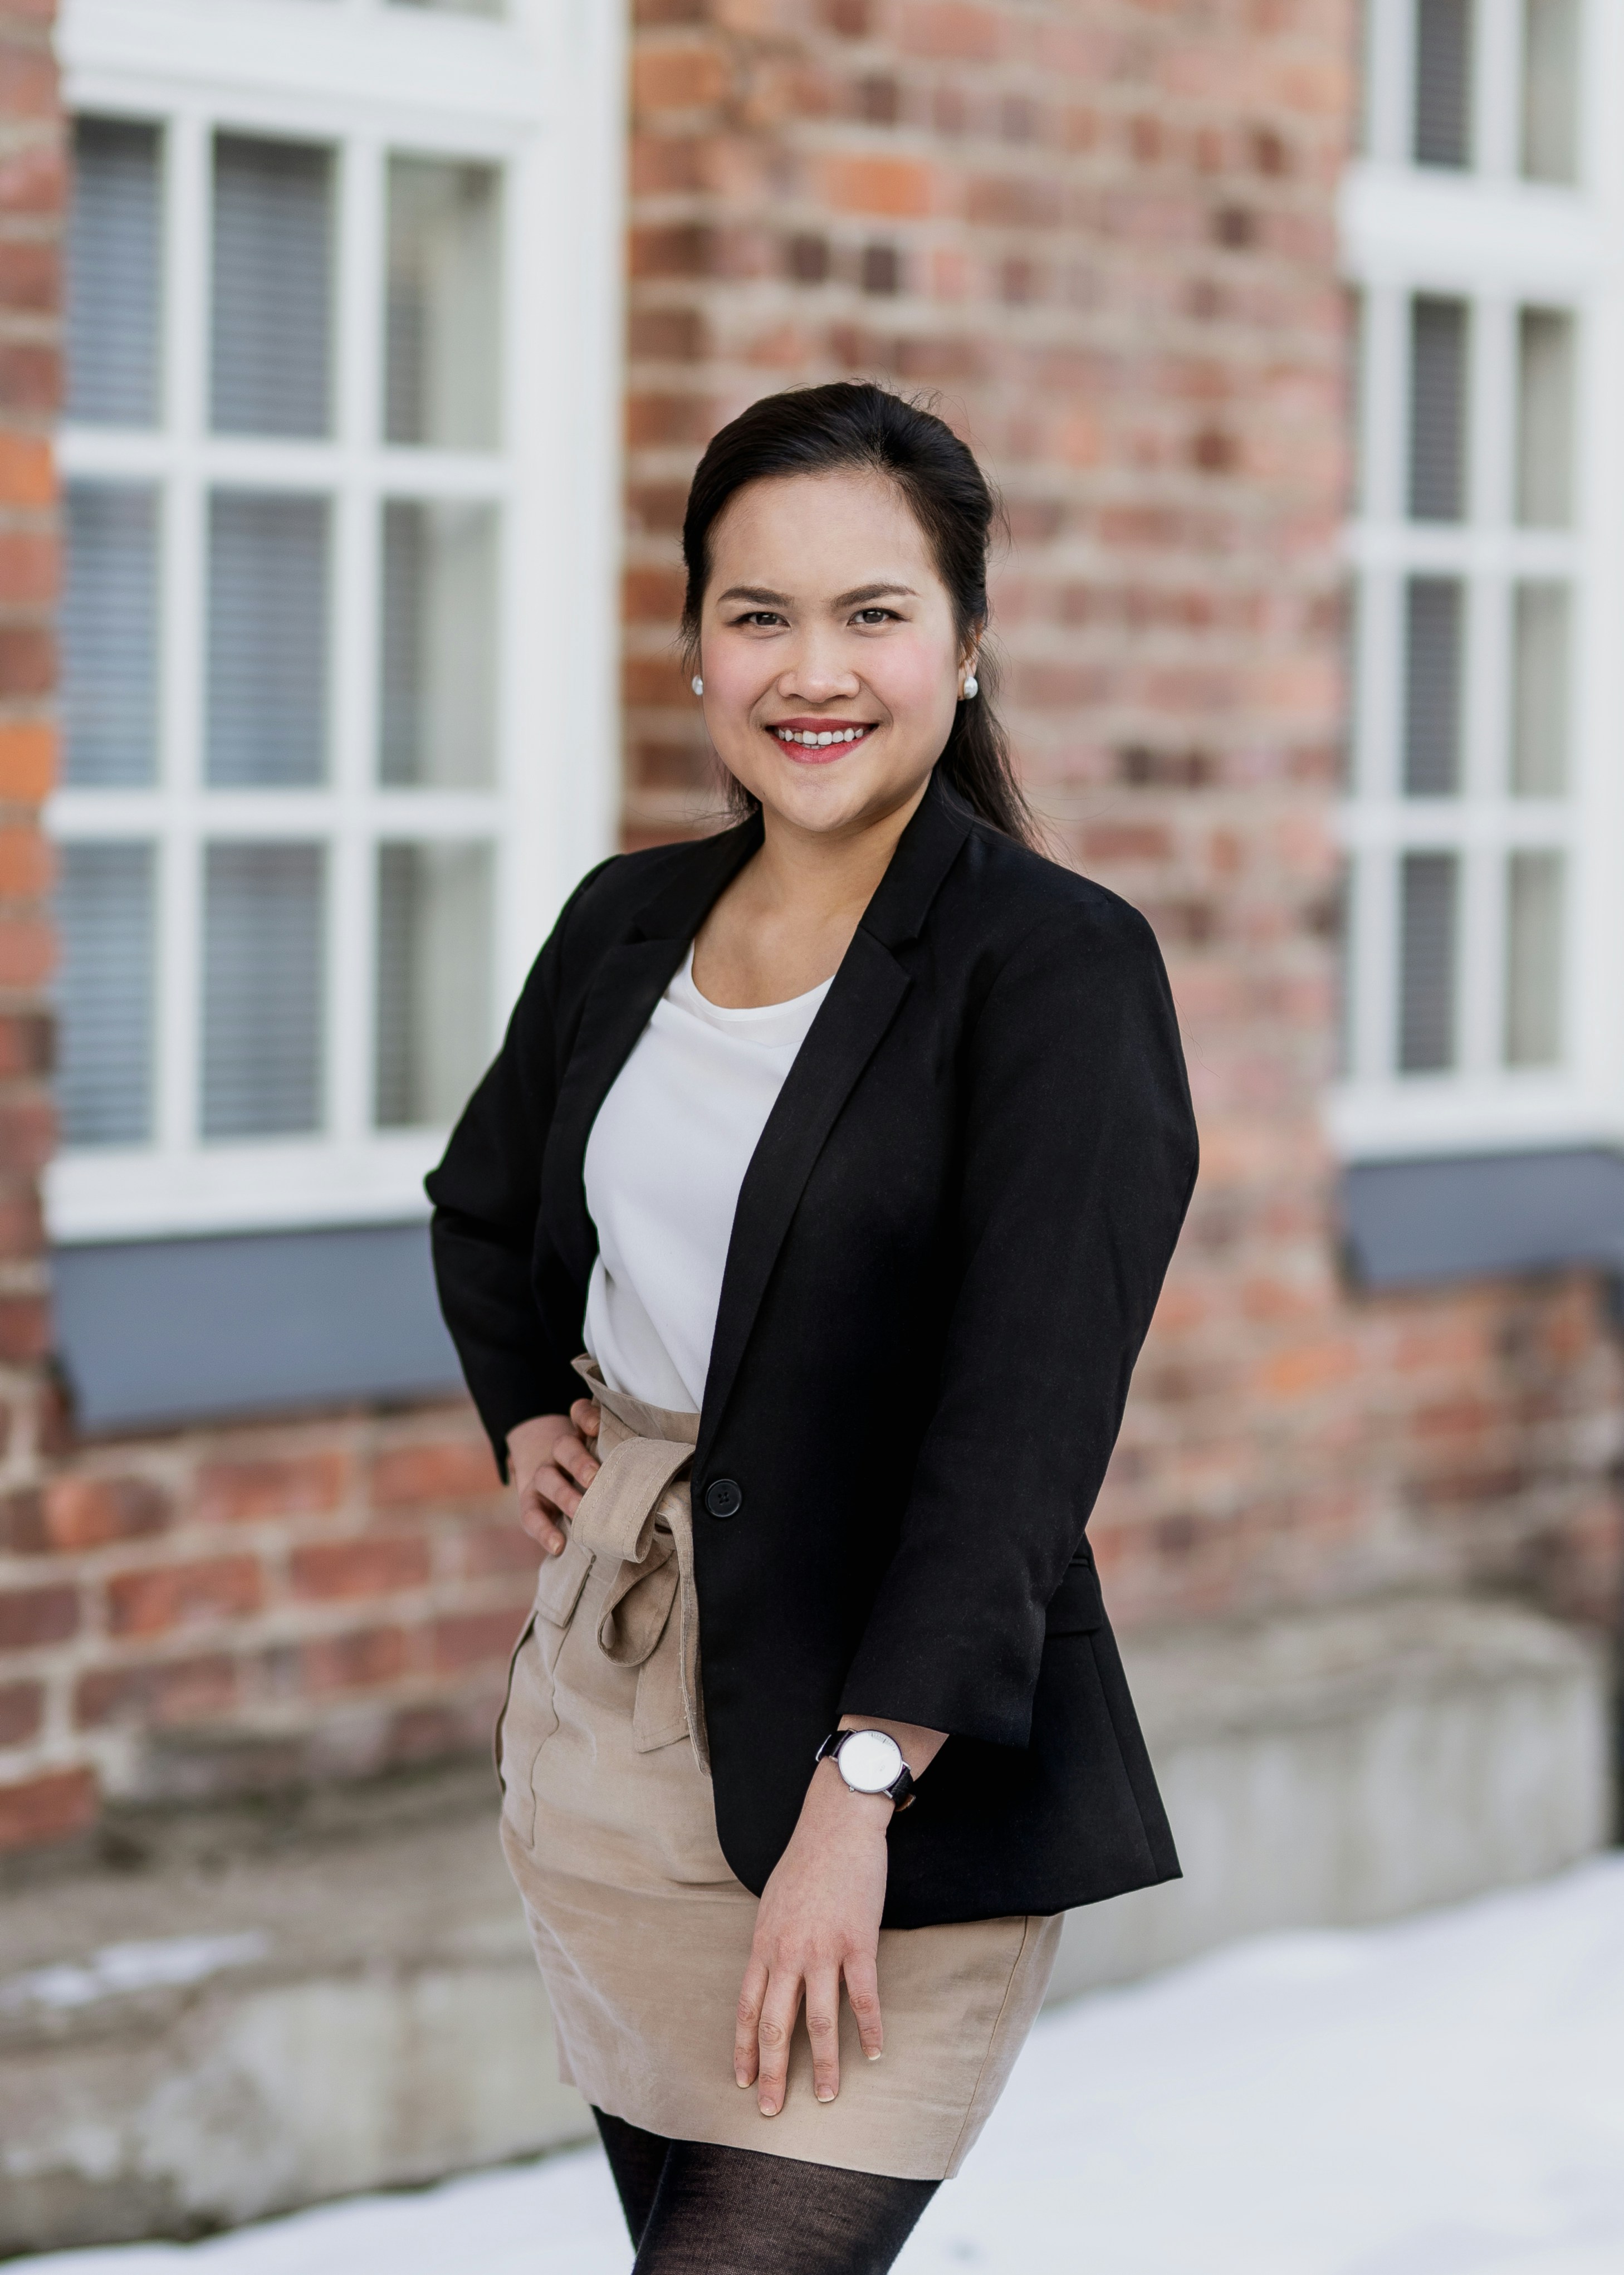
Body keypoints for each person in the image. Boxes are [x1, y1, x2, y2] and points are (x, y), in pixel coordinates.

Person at [427, 381, 1198, 2274]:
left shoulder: (1055, 968)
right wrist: (529, 1410)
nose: (812, 670)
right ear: (697, 643)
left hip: (885, 1768)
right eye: (757, 613)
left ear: (966, 638)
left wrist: (860, 1793)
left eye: (873, 612)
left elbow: (1019, 1429)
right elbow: (487, 1202)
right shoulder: (625, 924)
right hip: (611, 1737)